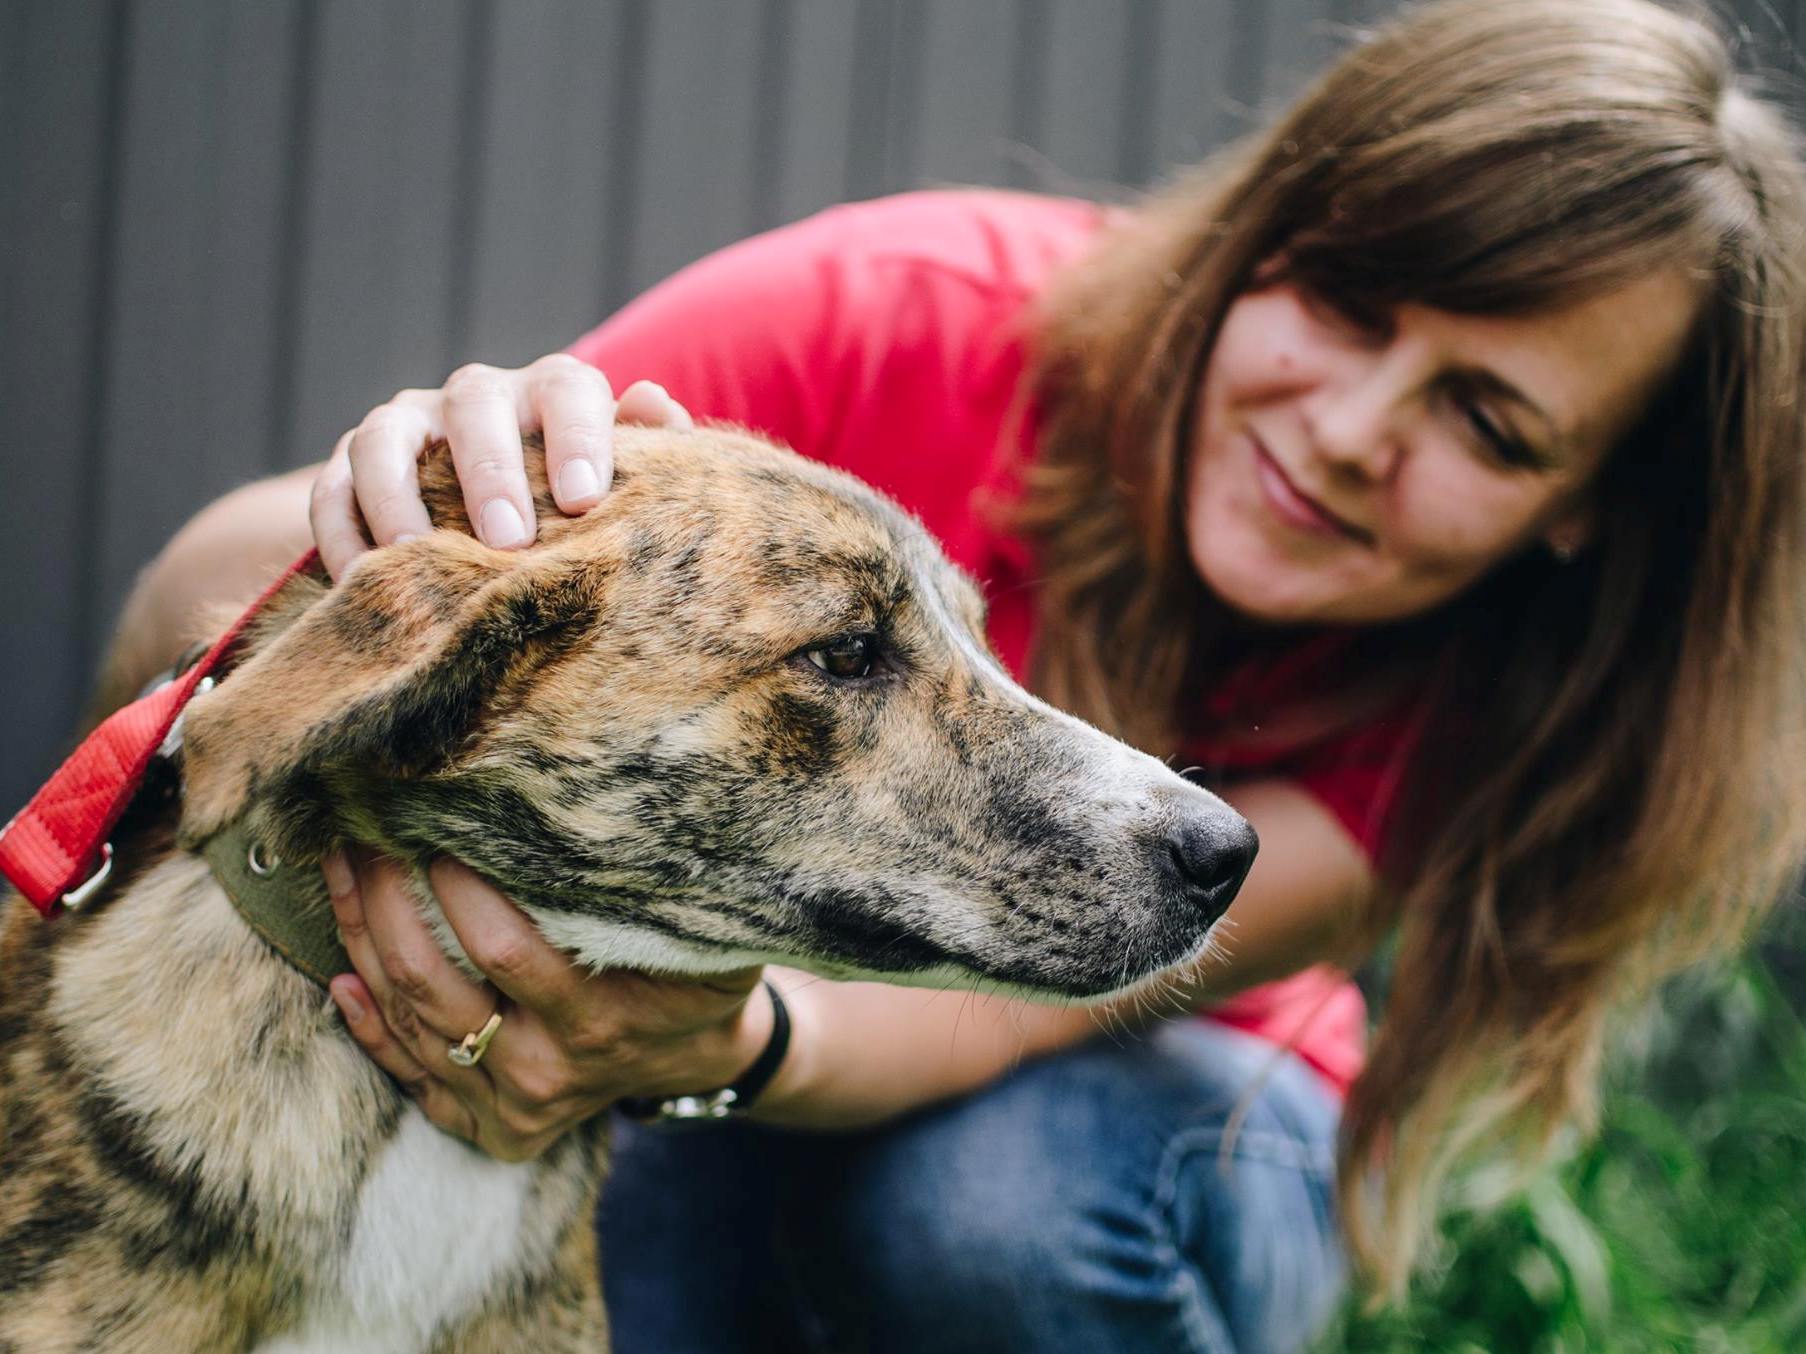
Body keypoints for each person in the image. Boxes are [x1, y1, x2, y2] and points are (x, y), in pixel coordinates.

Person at [109, 1, 1806, 1349]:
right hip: (710, 1015)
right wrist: (363, 515)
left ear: (1586, 512)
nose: (1354, 433)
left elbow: (977, 1036)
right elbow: (196, 637)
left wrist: (700, 1047)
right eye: (1350, 303)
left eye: (1487, 425)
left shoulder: (1517, 696)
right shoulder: (886, 312)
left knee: (991, 1213)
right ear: (1261, 238)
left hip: (1133, 1116)